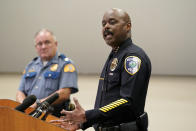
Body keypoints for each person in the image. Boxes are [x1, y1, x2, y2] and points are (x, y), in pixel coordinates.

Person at [51, 8, 151, 131]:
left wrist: (87, 116)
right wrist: (82, 123)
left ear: (127, 26)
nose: (106, 27)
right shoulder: (115, 55)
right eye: (103, 24)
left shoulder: (132, 57)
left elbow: (127, 101)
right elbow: (108, 104)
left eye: (112, 22)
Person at [16, 29, 78, 117]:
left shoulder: (65, 64)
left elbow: (64, 93)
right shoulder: (30, 66)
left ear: (56, 44)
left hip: (53, 118)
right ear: (36, 47)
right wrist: (24, 106)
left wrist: (37, 104)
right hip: (28, 116)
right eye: (39, 44)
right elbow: (20, 92)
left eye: (47, 42)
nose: (43, 46)